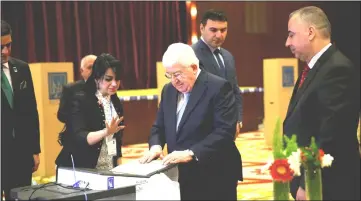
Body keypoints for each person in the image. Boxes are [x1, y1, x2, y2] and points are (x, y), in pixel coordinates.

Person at [139, 43, 242, 200]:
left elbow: (224, 132)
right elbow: (159, 126)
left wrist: (191, 153)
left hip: (214, 174)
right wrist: (156, 146)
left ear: (194, 68)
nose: (174, 81)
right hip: (180, 175)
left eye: (178, 74)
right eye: (170, 75)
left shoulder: (218, 87)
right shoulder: (168, 90)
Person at [283, 6, 360, 200]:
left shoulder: (337, 69)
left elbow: (330, 134)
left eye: (292, 35)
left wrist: (308, 182)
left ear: (310, 32)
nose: (287, 42)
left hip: (328, 184)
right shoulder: (316, 67)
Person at [56, 53, 125, 170]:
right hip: (80, 168)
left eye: (117, 79)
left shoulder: (114, 99)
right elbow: (80, 136)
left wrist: (119, 164)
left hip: (109, 166)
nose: (114, 84)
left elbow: (117, 138)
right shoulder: (80, 98)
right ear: (97, 78)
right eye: (108, 79)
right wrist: (106, 132)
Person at [1, 20, 41, 200]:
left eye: (8, 45)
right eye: (0, 47)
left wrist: (34, 149)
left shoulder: (22, 69)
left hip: (21, 154)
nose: (6, 52)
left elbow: (31, 111)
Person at [192, 9, 243, 137]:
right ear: (202, 28)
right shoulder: (191, 54)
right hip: (204, 127)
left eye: (223, 30)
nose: (219, 35)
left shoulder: (228, 56)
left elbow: (234, 90)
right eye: (213, 30)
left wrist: (238, 118)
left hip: (228, 125)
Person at [57, 54, 96, 123]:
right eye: (90, 67)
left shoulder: (108, 88)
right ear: (81, 71)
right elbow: (61, 116)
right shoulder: (71, 89)